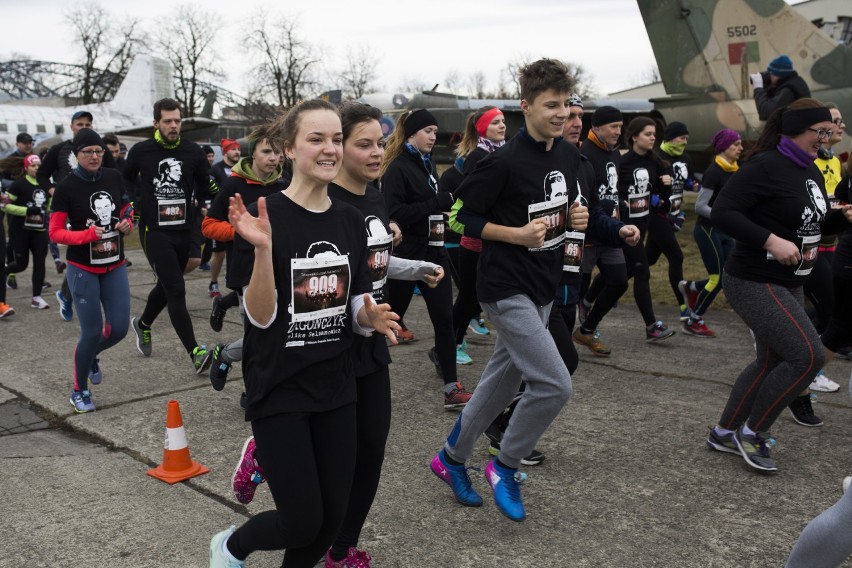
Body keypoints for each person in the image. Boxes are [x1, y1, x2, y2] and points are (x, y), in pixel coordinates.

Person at [208, 99, 400, 568]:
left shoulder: (350, 221)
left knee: (330, 521)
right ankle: (230, 548)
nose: (330, 148)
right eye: (317, 139)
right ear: (290, 149)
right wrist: (261, 251)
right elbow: (260, 318)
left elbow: (351, 303)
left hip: (336, 386)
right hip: (280, 388)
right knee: (300, 521)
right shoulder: (264, 214)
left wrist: (367, 318)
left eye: (336, 138)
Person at [430, 58, 588, 522]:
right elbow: (460, 218)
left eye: (566, 105)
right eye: (550, 105)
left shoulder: (566, 154)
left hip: (543, 286)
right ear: (527, 106)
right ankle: (505, 465)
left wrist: (576, 216)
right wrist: (515, 234)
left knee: (501, 385)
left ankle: (451, 458)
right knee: (555, 384)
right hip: (503, 288)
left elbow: (564, 203)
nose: (561, 114)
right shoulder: (501, 162)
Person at [705, 99, 851, 472]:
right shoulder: (765, 165)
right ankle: (752, 434)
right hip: (754, 279)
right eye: (820, 132)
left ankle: (724, 432)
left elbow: (810, 224)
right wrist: (769, 240)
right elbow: (722, 211)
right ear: (795, 131)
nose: (827, 138)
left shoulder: (810, 170)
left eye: (828, 132)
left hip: (791, 281)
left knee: (770, 361)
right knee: (808, 357)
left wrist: (841, 219)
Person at [381, 109, 473, 408]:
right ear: (411, 134)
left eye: (435, 131)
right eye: (428, 131)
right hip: (407, 258)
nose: (434, 137)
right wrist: (436, 203)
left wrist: (441, 216)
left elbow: (428, 208)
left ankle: (451, 387)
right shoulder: (397, 168)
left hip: (435, 252)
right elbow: (394, 214)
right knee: (388, 319)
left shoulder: (427, 163)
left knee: (444, 320)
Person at [124, 98, 215, 374]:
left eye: (177, 121)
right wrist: (135, 206)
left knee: (167, 285)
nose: (173, 126)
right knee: (176, 288)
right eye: (167, 121)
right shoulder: (141, 151)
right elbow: (125, 180)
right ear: (156, 123)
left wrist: (220, 193)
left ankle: (143, 323)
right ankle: (196, 352)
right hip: (156, 232)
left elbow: (205, 186)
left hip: (185, 230)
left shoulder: (193, 152)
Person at [48, 128, 133, 413]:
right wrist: (85, 236)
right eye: (88, 152)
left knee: (119, 328)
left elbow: (126, 208)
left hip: (114, 265)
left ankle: (91, 355)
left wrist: (126, 222)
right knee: (91, 331)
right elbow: (56, 232)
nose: (95, 156)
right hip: (82, 268)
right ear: (77, 154)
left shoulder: (113, 176)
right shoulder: (66, 187)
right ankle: (78, 390)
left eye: (99, 151)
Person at [202, 126, 288, 392]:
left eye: (276, 152)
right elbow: (208, 225)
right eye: (266, 151)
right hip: (246, 271)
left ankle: (229, 357)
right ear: (253, 155)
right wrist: (241, 232)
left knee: (278, 335)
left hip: (280, 269)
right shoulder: (234, 184)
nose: (273, 157)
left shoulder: (284, 185)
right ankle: (251, 389)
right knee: (259, 334)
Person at [38, 111, 118, 321]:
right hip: (69, 206)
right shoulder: (59, 149)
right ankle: (71, 296)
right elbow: (42, 174)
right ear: (71, 126)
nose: (84, 127)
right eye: (79, 124)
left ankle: (69, 295)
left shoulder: (99, 149)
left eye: (88, 124)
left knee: (96, 251)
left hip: (97, 204)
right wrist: (52, 190)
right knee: (79, 252)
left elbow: (113, 174)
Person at [449, 106, 506, 366]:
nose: (502, 126)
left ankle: (452, 342)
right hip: (473, 242)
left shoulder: (502, 153)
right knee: (468, 299)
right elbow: (473, 202)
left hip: (492, 240)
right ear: (482, 128)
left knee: (478, 298)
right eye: (495, 123)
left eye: (503, 121)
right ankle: (449, 345)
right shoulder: (478, 157)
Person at [574, 105, 629, 356]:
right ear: (596, 127)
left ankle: (586, 329)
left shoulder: (614, 153)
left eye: (620, 126)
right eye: (613, 126)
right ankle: (561, 341)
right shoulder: (584, 153)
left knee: (619, 282)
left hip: (610, 231)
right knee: (577, 289)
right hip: (587, 234)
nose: (618, 131)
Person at [800, 103, 846, 394]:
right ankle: (804, 366)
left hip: (831, 242)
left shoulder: (836, 163)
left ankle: (796, 356)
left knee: (829, 307)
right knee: (829, 307)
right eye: (835, 121)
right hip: (807, 245)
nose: (840, 126)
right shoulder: (810, 161)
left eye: (841, 121)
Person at [617, 116, 676, 342]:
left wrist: (664, 191)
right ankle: (651, 326)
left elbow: (662, 198)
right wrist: (621, 202)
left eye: (654, 134)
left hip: (644, 225)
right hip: (624, 227)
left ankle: (588, 300)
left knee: (622, 273)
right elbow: (614, 191)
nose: (653, 138)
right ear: (634, 137)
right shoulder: (622, 162)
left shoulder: (656, 162)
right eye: (647, 134)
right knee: (642, 271)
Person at [678, 129, 742, 338]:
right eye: (736, 145)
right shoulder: (714, 171)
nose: (740, 148)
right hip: (707, 230)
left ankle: (692, 287)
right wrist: (723, 216)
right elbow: (700, 205)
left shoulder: (735, 170)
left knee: (728, 277)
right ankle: (693, 321)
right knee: (717, 279)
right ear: (724, 147)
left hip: (726, 231)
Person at [650, 121, 695, 328]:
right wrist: (654, 198)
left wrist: (693, 185)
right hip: (658, 215)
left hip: (674, 215)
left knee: (647, 260)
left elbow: (688, 181)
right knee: (676, 257)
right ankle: (684, 308)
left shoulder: (685, 158)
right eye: (681, 137)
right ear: (670, 137)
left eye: (686, 138)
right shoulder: (657, 157)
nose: (685, 142)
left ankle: (610, 284)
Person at [4, 154, 51, 309]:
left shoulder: (46, 184)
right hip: (21, 231)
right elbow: (5, 206)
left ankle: (36, 297)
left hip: (40, 231)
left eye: (39, 165)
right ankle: (3, 271)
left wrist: (49, 211)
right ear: (26, 168)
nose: (37, 168)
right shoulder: (19, 184)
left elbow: (49, 204)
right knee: (21, 265)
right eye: (33, 165)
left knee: (40, 263)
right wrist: (27, 210)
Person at [207, 139, 242, 298]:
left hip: (237, 217)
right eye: (233, 149)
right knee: (219, 253)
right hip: (220, 218)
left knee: (237, 251)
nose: (237, 152)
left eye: (238, 149)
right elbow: (207, 190)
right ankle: (213, 282)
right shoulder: (216, 170)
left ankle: (237, 284)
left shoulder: (241, 169)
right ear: (225, 151)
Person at [752, 55, 811, 121]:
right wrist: (765, 85)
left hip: (797, 128)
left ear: (778, 74)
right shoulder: (793, 82)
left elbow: (765, 113)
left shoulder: (788, 90)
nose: (769, 76)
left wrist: (758, 88)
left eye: (771, 73)